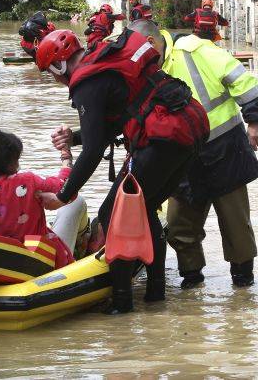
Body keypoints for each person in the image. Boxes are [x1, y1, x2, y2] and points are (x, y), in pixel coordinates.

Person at [36, 28, 209, 314]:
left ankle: (122, 302)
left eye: (51, 73)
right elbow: (118, 121)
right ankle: (155, 294)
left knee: (112, 215)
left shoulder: (86, 83)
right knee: (147, 206)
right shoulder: (101, 64)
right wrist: (75, 138)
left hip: (163, 137)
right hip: (188, 126)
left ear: (59, 65)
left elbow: (92, 152)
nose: (54, 79)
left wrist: (64, 195)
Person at [128, 19, 258, 288]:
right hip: (182, 160)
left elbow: (239, 77)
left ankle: (243, 287)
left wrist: (254, 118)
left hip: (224, 149)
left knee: (235, 225)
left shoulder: (193, 49)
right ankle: (192, 283)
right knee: (179, 227)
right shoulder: (144, 70)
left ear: (150, 44)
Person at [0, 130, 88, 268]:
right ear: (12, 163)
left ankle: (83, 237)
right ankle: (84, 240)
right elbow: (67, 188)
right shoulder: (27, 182)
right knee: (77, 203)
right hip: (32, 265)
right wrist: (66, 155)